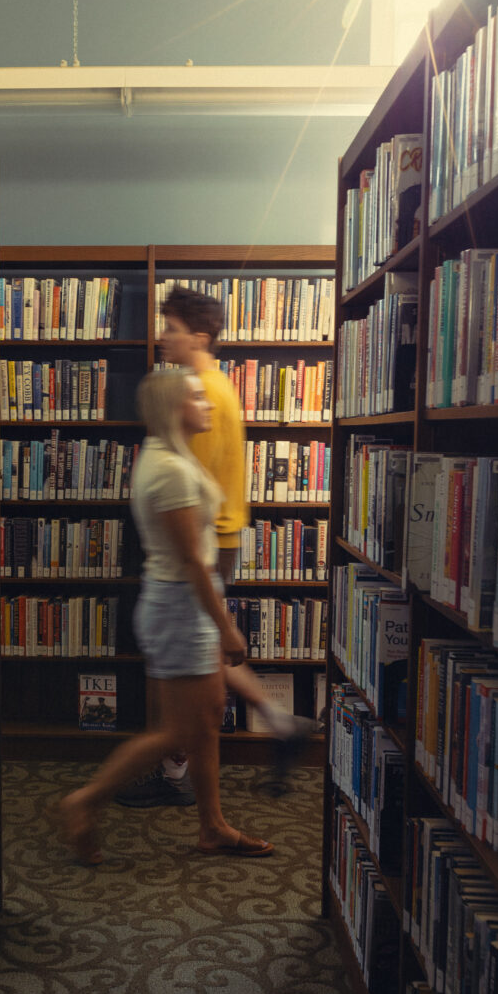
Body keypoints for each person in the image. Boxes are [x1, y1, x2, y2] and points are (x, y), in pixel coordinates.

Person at [58, 368, 274, 864]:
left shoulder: (170, 458)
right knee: (176, 732)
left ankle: (212, 825)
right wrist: (227, 627)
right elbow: (192, 561)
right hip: (181, 606)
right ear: (176, 407)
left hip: (183, 602)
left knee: (204, 723)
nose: (210, 404)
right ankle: (83, 802)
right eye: (198, 397)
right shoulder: (171, 470)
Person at [116, 285, 315, 808]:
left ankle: (173, 765)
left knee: (196, 649)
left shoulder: (193, 395)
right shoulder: (217, 387)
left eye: (172, 330)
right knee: (201, 647)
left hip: (207, 540)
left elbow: (186, 483)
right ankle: (274, 722)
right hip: (221, 534)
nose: (162, 338)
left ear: (198, 337)